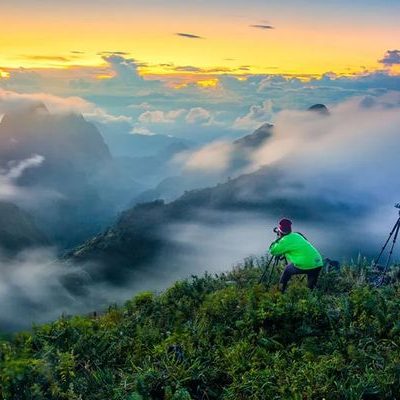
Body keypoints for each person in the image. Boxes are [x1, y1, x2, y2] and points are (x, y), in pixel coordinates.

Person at [269, 218, 323, 293]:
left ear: (280, 232)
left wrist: (277, 240)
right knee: (311, 288)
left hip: (306, 263)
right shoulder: (297, 235)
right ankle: (310, 297)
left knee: (287, 271)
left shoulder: (285, 241)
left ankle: (280, 292)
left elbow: (273, 251)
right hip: (318, 262)